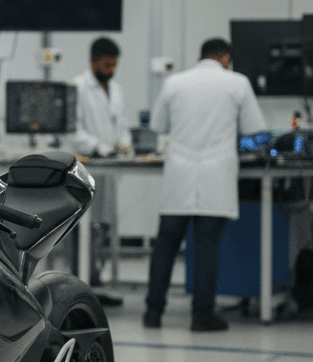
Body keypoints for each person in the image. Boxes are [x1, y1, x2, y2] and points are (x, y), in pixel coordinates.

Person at [144, 37, 266, 331]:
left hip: (179, 174)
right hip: (216, 174)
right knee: (206, 246)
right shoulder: (237, 83)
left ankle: (153, 313)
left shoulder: (174, 83)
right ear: (225, 58)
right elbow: (255, 130)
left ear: (201, 56)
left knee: (166, 245)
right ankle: (201, 315)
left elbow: (157, 126)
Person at [72, 37, 131, 306]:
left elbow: (122, 124)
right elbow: (73, 129)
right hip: (86, 166)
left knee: (102, 226)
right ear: (94, 61)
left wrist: (124, 144)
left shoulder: (116, 89)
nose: (111, 70)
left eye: (114, 65)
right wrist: (99, 147)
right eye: (107, 65)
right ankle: (82, 282)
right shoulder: (78, 87)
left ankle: (95, 280)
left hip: (108, 166)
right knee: (81, 227)